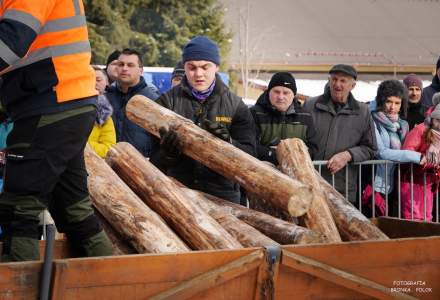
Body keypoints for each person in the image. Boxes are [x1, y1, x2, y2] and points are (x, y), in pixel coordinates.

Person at [0, 0, 112, 262]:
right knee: (72, 207)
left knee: (20, 208)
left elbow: (9, 43)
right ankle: (109, 283)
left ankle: (19, 290)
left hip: (52, 102)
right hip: (63, 103)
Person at [151, 36, 256, 203]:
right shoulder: (166, 102)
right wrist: (167, 154)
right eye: (191, 67)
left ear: (216, 67)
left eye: (205, 67)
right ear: (184, 67)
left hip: (223, 196)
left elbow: (251, 154)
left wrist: (229, 143)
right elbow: (152, 157)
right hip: (178, 193)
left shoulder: (236, 106)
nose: (198, 74)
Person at [303, 64, 377, 204]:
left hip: (343, 188)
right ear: (329, 81)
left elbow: (371, 148)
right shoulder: (310, 105)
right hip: (311, 184)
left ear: (353, 85)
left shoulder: (362, 111)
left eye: (343, 81)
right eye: (334, 79)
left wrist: (348, 155)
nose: (337, 84)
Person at [362, 80, 422, 216]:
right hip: (375, 183)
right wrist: (417, 157)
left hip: (395, 185)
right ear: (381, 101)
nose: (392, 107)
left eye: (397, 103)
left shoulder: (403, 125)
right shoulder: (372, 121)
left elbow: (406, 149)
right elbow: (381, 152)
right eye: (389, 101)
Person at [251, 72, 318, 164]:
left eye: (286, 93)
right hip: (262, 173)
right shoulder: (255, 113)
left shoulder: (305, 117)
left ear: (293, 95)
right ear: (269, 92)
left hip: (295, 175)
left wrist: (294, 155)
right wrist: (276, 154)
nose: (281, 97)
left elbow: (314, 149)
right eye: (276, 92)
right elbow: (250, 145)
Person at [106, 48, 160, 157]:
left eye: (130, 65)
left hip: (141, 166)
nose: (124, 68)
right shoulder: (105, 99)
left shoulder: (154, 100)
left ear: (141, 70)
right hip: (108, 166)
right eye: (121, 64)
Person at [400, 104, 440, 221]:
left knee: (427, 217)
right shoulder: (421, 129)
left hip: (427, 181)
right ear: (432, 118)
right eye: (438, 120)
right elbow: (407, 150)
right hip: (412, 179)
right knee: (413, 216)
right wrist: (423, 159)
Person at [88, 67, 116, 158]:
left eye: (98, 80)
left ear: (106, 82)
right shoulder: (71, 107)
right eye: (89, 79)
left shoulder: (105, 115)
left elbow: (109, 148)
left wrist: (85, 146)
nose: (94, 83)